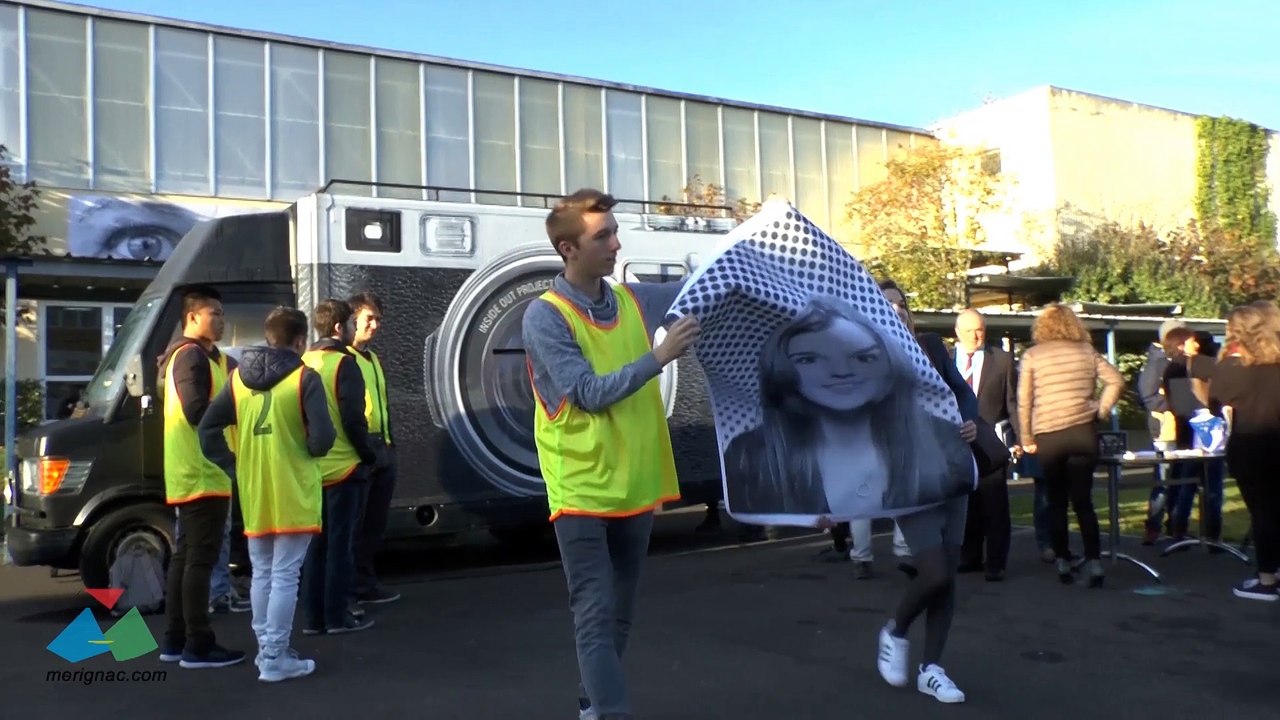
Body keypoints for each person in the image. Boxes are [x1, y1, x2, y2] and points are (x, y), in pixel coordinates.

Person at [522, 188, 700, 720]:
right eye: (603, 236)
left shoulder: (629, 299)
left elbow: (697, 285)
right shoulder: (544, 316)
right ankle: (611, 710)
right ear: (567, 249)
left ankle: (591, 702)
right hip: (581, 489)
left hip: (635, 483)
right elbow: (589, 393)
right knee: (595, 616)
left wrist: (752, 243)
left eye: (615, 232)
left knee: (619, 614)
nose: (617, 244)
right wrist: (659, 356)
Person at [722, 296, 974, 517]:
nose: (841, 372)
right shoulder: (749, 456)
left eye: (862, 357)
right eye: (810, 359)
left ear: (888, 365)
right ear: (783, 370)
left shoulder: (941, 439)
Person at [197, 306, 336, 682]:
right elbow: (323, 439)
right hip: (293, 487)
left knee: (263, 571)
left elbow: (207, 429)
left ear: (269, 336)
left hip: (255, 487)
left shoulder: (238, 379)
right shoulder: (305, 378)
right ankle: (275, 658)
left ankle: (267, 652)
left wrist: (233, 465)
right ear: (300, 341)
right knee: (286, 574)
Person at [870, 279, 978, 705]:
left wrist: (969, 421)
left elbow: (962, 392)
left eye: (901, 303)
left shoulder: (931, 345)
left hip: (951, 468)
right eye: (886, 304)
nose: (896, 310)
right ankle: (895, 629)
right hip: (907, 477)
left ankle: (932, 668)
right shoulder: (869, 356)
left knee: (947, 578)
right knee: (931, 571)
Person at [156, 285, 246, 669]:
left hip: (192, 470)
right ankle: (198, 643)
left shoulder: (210, 358)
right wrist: (234, 411)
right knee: (200, 561)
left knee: (185, 558)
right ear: (192, 317)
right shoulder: (190, 357)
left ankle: (176, 639)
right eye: (214, 313)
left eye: (223, 314)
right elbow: (197, 411)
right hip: (202, 470)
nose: (222, 320)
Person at [1017, 303, 1124, 588]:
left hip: (1049, 434)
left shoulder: (1033, 356)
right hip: (1082, 432)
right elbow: (1116, 380)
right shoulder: (1086, 352)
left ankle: (1063, 560)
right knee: (1084, 501)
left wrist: (1026, 437)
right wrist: (1100, 410)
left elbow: (1024, 400)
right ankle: (1095, 561)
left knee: (1056, 501)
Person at [300, 299, 378, 635]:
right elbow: (352, 418)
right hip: (345, 468)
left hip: (313, 470)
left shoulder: (302, 363)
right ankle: (338, 617)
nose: (352, 329)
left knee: (315, 549)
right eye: (349, 324)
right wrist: (368, 454)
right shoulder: (345, 364)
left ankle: (314, 619)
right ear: (338, 328)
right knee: (341, 548)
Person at [1208, 302, 1280, 601]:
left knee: (1262, 513)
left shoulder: (1232, 368)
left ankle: (1266, 579)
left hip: (1250, 445)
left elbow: (1213, 403)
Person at [954, 309, 1018, 582]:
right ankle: (969, 556)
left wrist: (1020, 439)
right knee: (966, 502)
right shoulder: (944, 359)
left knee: (995, 505)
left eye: (979, 329)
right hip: (956, 441)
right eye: (968, 331)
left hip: (992, 442)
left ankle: (995, 562)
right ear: (957, 332)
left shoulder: (1002, 360)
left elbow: (1013, 402)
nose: (975, 336)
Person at [346, 291, 402, 606]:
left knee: (373, 525)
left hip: (383, 446)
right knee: (355, 523)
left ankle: (364, 584)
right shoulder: (343, 358)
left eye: (378, 319)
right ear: (352, 319)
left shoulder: (372, 358)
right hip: (360, 449)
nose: (375, 325)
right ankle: (352, 587)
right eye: (369, 319)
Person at [1138, 319, 1188, 544]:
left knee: (1179, 479)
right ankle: (1154, 526)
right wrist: (1174, 405)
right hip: (1164, 429)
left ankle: (1175, 525)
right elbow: (1148, 396)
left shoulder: (1177, 361)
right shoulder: (1157, 362)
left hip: (1180, 427)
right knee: (1163, 480)